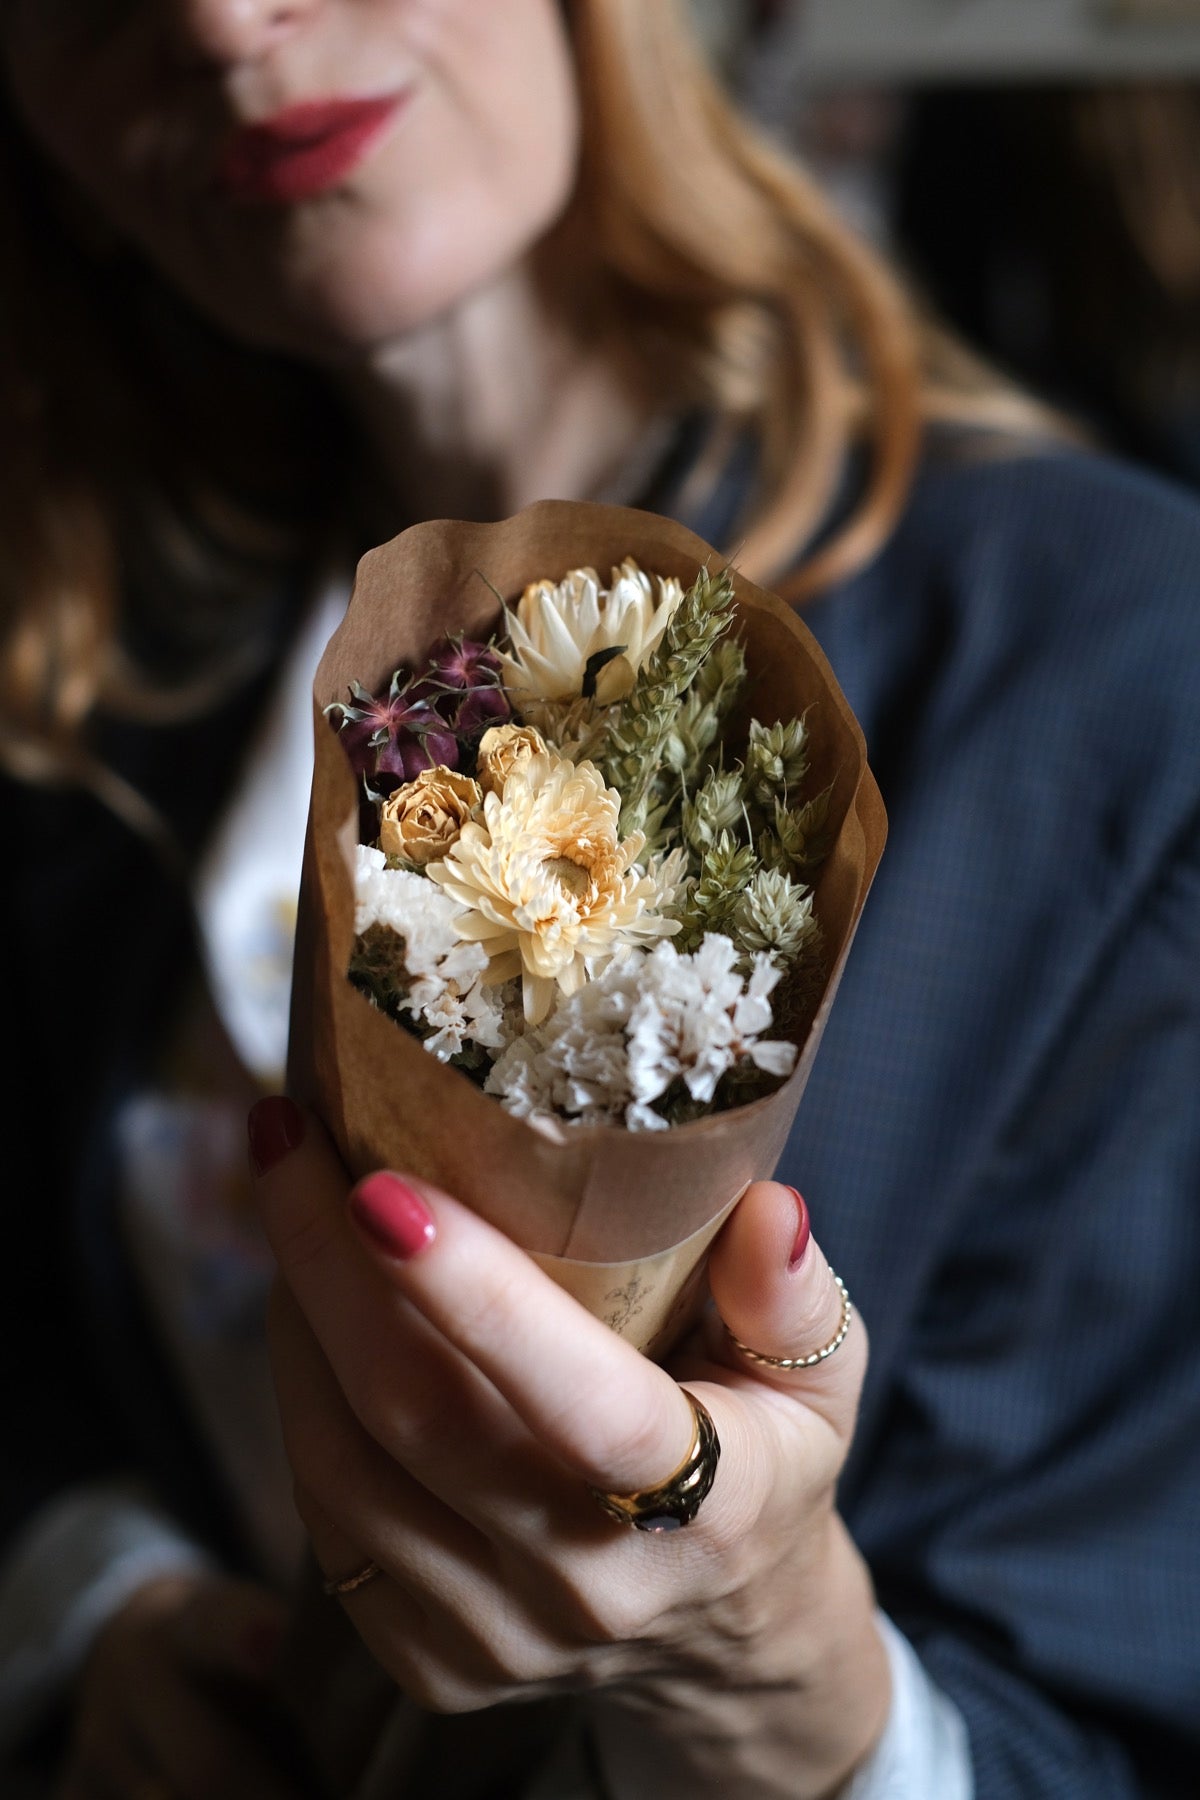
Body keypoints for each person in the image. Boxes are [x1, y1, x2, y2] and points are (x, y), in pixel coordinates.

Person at [1, 3, 1197, 1797]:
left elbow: (1118, 1693)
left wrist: (780, 1687)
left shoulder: (1115, 680)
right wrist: (91, 1601)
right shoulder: (88, 693)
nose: (220, 21)